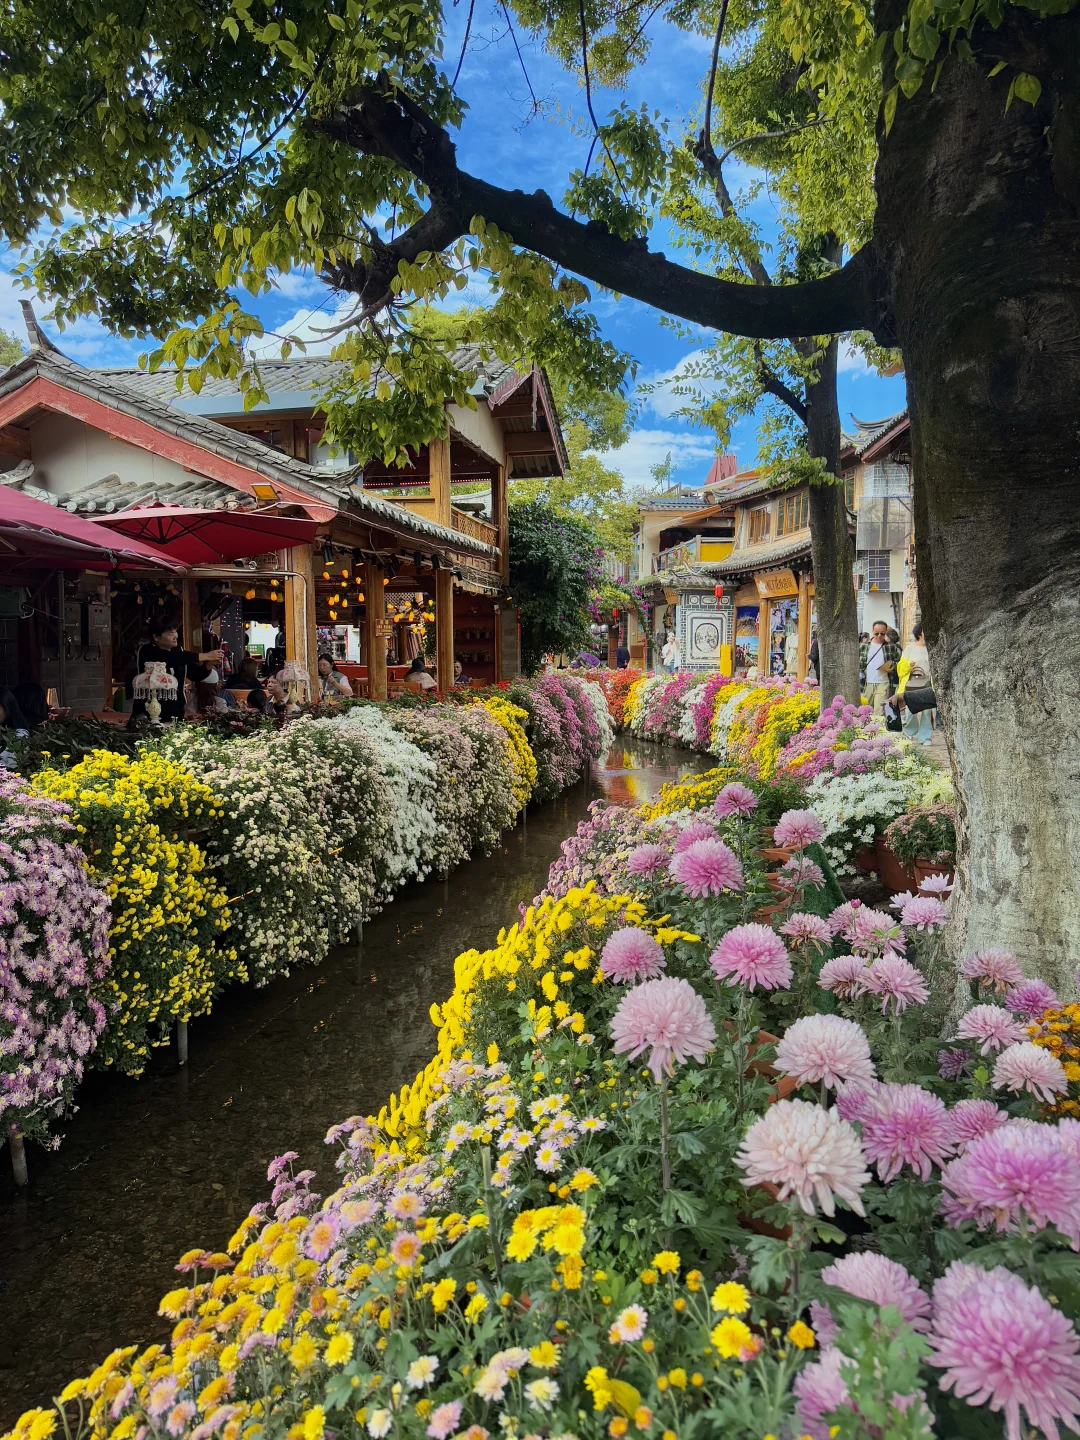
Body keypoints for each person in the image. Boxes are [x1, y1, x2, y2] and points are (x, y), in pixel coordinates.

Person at [130, 621, 222, 722]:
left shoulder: (179, 651)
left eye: (175, 632)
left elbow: (195, 675)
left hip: (175, 709)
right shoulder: (147, 651)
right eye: (170, 633)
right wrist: (205, 656)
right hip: (149, 708)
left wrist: (209, 664)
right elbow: (169, 659)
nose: (175, 636)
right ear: (156, 637)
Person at [897, 623, 933, 742]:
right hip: (912, 683)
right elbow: (900, 668)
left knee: (927, 711)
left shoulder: (931, 647)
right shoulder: (910, 648)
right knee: (911, 710)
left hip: (927, 682)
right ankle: (909, 732)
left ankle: (925, 737)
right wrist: (908, 665)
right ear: (920, 633)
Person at [859, 621, 900, 715]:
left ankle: (878, 728)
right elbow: (858, 664)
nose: (879, 636)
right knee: (865, 712)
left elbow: (899, 662)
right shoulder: (864, 646)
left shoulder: (890, 647)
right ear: (872, 631)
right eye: (876, 633)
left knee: (879, 712)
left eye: (882, 633)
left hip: (883, 683)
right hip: (866, 683)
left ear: (886, 632)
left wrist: (892, 667)